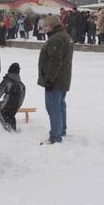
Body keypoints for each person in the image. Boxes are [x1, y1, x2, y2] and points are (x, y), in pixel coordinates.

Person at [38, 14, 74, 144]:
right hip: (63, 78)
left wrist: (49, 79)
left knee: (53, 107)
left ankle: (55, 136)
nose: (45, 28)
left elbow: (55, 61)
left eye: (46, 26)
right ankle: (61, 130)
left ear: (51, 26)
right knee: (60, 105)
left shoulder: (56, 39)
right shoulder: (65, 36)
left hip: (56, 80)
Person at [0, 63, 25, 132]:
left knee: (0, 111)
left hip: (8, 100)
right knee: (11, 115)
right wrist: (18, 105)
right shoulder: (21, 84)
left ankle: (7, 126)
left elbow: (0, 90)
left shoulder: (6, 81)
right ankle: (13, 129)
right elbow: (22, 95)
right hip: (16, 102)